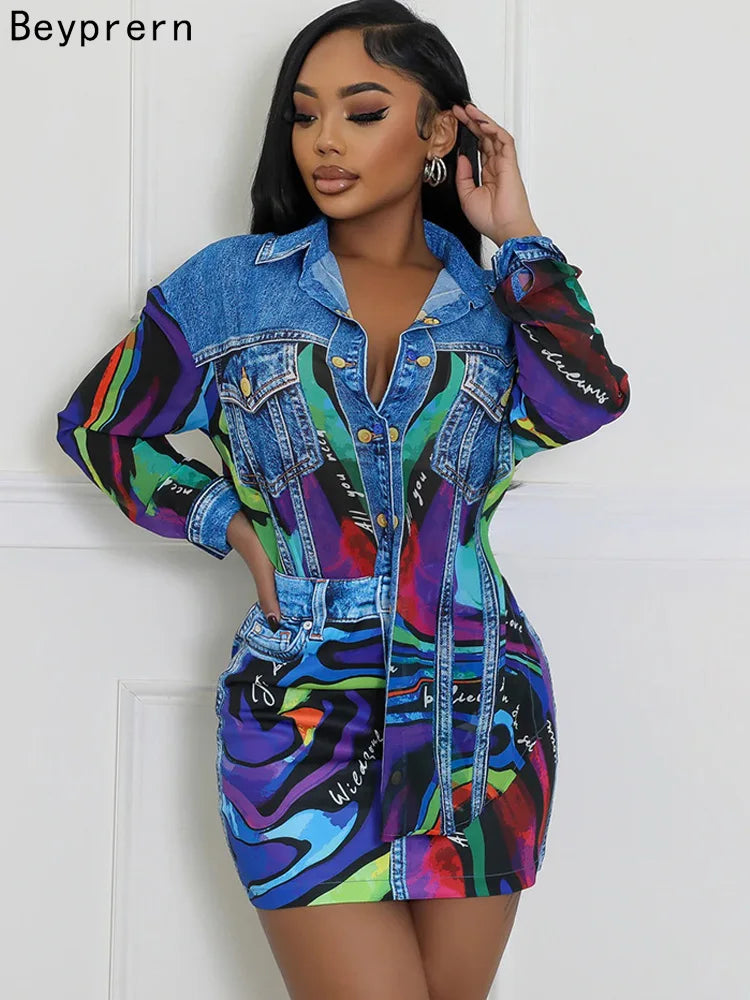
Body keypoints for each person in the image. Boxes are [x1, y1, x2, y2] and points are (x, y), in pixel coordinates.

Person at [55, 2, 630, 998]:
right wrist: (232, 528)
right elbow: (100, 426)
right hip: (302, 722)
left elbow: (587, 401)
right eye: (305, 113)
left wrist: (519, 236)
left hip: (482, 726)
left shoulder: (496, 306)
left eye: (362, 112)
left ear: (438, 130)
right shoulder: (232, 289)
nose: (324, 139)